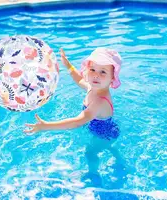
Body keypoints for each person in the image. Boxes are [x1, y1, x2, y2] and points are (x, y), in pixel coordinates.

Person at [24, 47, 125, 184]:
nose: (96, 75)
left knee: (90, 152)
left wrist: (47, 126)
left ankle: (94, 174)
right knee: (106, 147)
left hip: (105, 134)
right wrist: (68, 65)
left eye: (103, 72)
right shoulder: (94, 88)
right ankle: (119, 158)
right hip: (105, 128)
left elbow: (78, 121)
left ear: (112, 78)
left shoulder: (100, 101)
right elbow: (79, 79)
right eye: (93, 70)